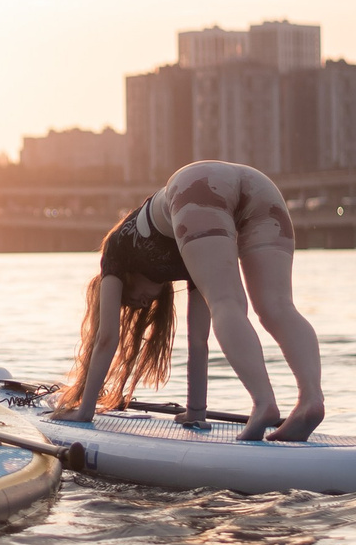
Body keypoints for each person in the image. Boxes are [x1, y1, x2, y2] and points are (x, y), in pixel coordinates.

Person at [53, 159, 322, 440]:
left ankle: (266, 403)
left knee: (229, 303)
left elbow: (107, 337)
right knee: (274, 307)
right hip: (257, 186)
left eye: (130, 301)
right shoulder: (193, 256)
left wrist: (84, 411)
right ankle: (310, 401)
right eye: (142, 307)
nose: (142, 304)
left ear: (122, 286)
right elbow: (198, 341)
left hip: (196, 186)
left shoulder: (115, 251)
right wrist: (196, 412)